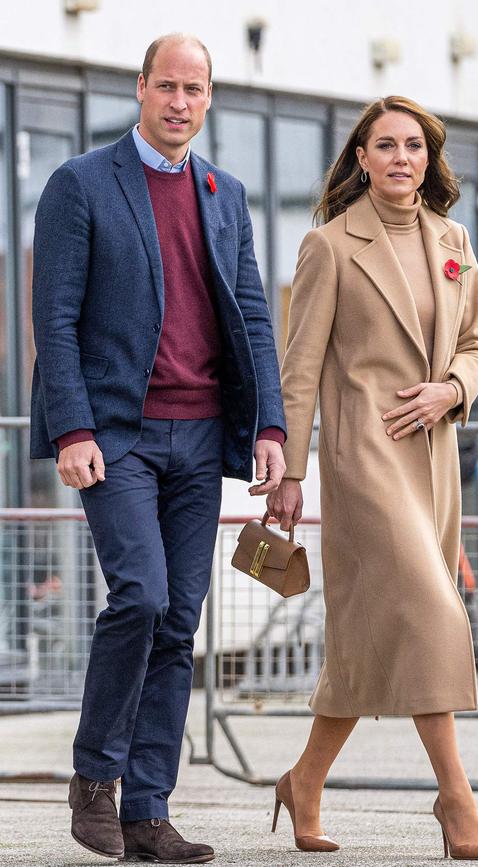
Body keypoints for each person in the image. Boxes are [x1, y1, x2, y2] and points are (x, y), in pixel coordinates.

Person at [30, 33, 286, 864]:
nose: (180, 102)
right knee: (139, 595)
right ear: (140, 88)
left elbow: (252, 319)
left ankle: (147, 810)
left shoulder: (224, 192)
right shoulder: (81, 185)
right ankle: (94, 775)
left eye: (196, 89)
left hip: (204, 437)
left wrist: (272, 430)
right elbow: (54, 318)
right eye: (167, 86)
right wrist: (71, 429)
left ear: (210, 98)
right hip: (118, 437)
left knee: (179, 621)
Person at [267, 95, 478, 859]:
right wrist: (290, 473)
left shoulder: (454, 239)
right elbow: (298, 372)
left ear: (429, 159)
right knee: (433, 612)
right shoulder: (329, 246)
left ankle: (304, 779)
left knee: (365, 645)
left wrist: (452, 387)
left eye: (415, 146)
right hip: (364, 462)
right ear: (360, 158)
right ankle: (456, 799)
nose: (402, 158)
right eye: (386, 146)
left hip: (433, 463)